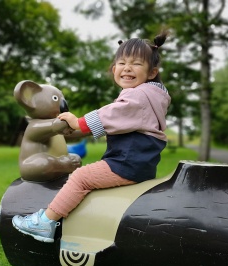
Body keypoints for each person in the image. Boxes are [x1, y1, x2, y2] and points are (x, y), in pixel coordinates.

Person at [12, 29, 171, 243]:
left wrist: (78, 123)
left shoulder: (138, 96)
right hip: (141, 165)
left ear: (151, 73)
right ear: (114, 69)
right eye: (122, 63)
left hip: (126, 164)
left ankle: (45, 222)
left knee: (81, 177)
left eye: (136, 63)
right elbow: (120, 122)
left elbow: (110, 115)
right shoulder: (153, 96)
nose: (127, 68)